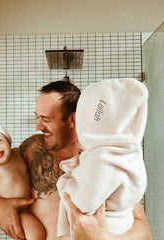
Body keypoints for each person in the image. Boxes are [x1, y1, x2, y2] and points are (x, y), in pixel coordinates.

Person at [0, 79, 152, 240]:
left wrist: (102, 237)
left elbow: (144, 232)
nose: (38, 126)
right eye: (37, 117)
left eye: (46, 119)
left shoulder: (103, 159)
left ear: (73, 120)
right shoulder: (32, 148)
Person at [57, 78, 148, 239]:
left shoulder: (103, 158)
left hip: (107, 226)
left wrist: (65, 183)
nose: (39, 125)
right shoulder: (128, 153)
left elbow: (83, 203)